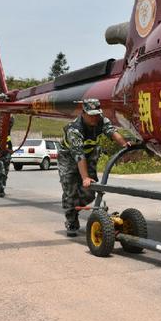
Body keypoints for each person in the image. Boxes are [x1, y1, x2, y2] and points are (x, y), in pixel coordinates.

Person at [59, 99, 131, 237]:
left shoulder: (101, 120)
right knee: (70, 189)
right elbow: (79, 156)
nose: (94, 118)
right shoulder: (74, 129)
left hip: (90, 152)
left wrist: (124, 144)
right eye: (91, 115)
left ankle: (74, 207)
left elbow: (111, 131)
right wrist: (84, 177)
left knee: (90, 190)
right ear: (84, 113)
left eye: (97, 114)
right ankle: (71, 220)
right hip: (69, 156)